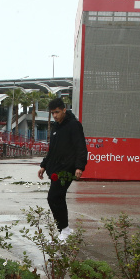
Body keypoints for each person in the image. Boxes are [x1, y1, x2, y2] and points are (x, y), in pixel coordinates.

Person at [38, 98, 88, 241]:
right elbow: (52, 150)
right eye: (52, 113)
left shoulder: (74, 125)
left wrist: (79, 166)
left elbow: (81, 147)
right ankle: (65, 229)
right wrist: (43, 165)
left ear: (64, 110)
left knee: (53, 197)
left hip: (67, 169)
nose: (54, 115)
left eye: (57, 112)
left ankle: (64, 230)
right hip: (55, 169)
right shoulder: (55, 127)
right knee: (57, 197)